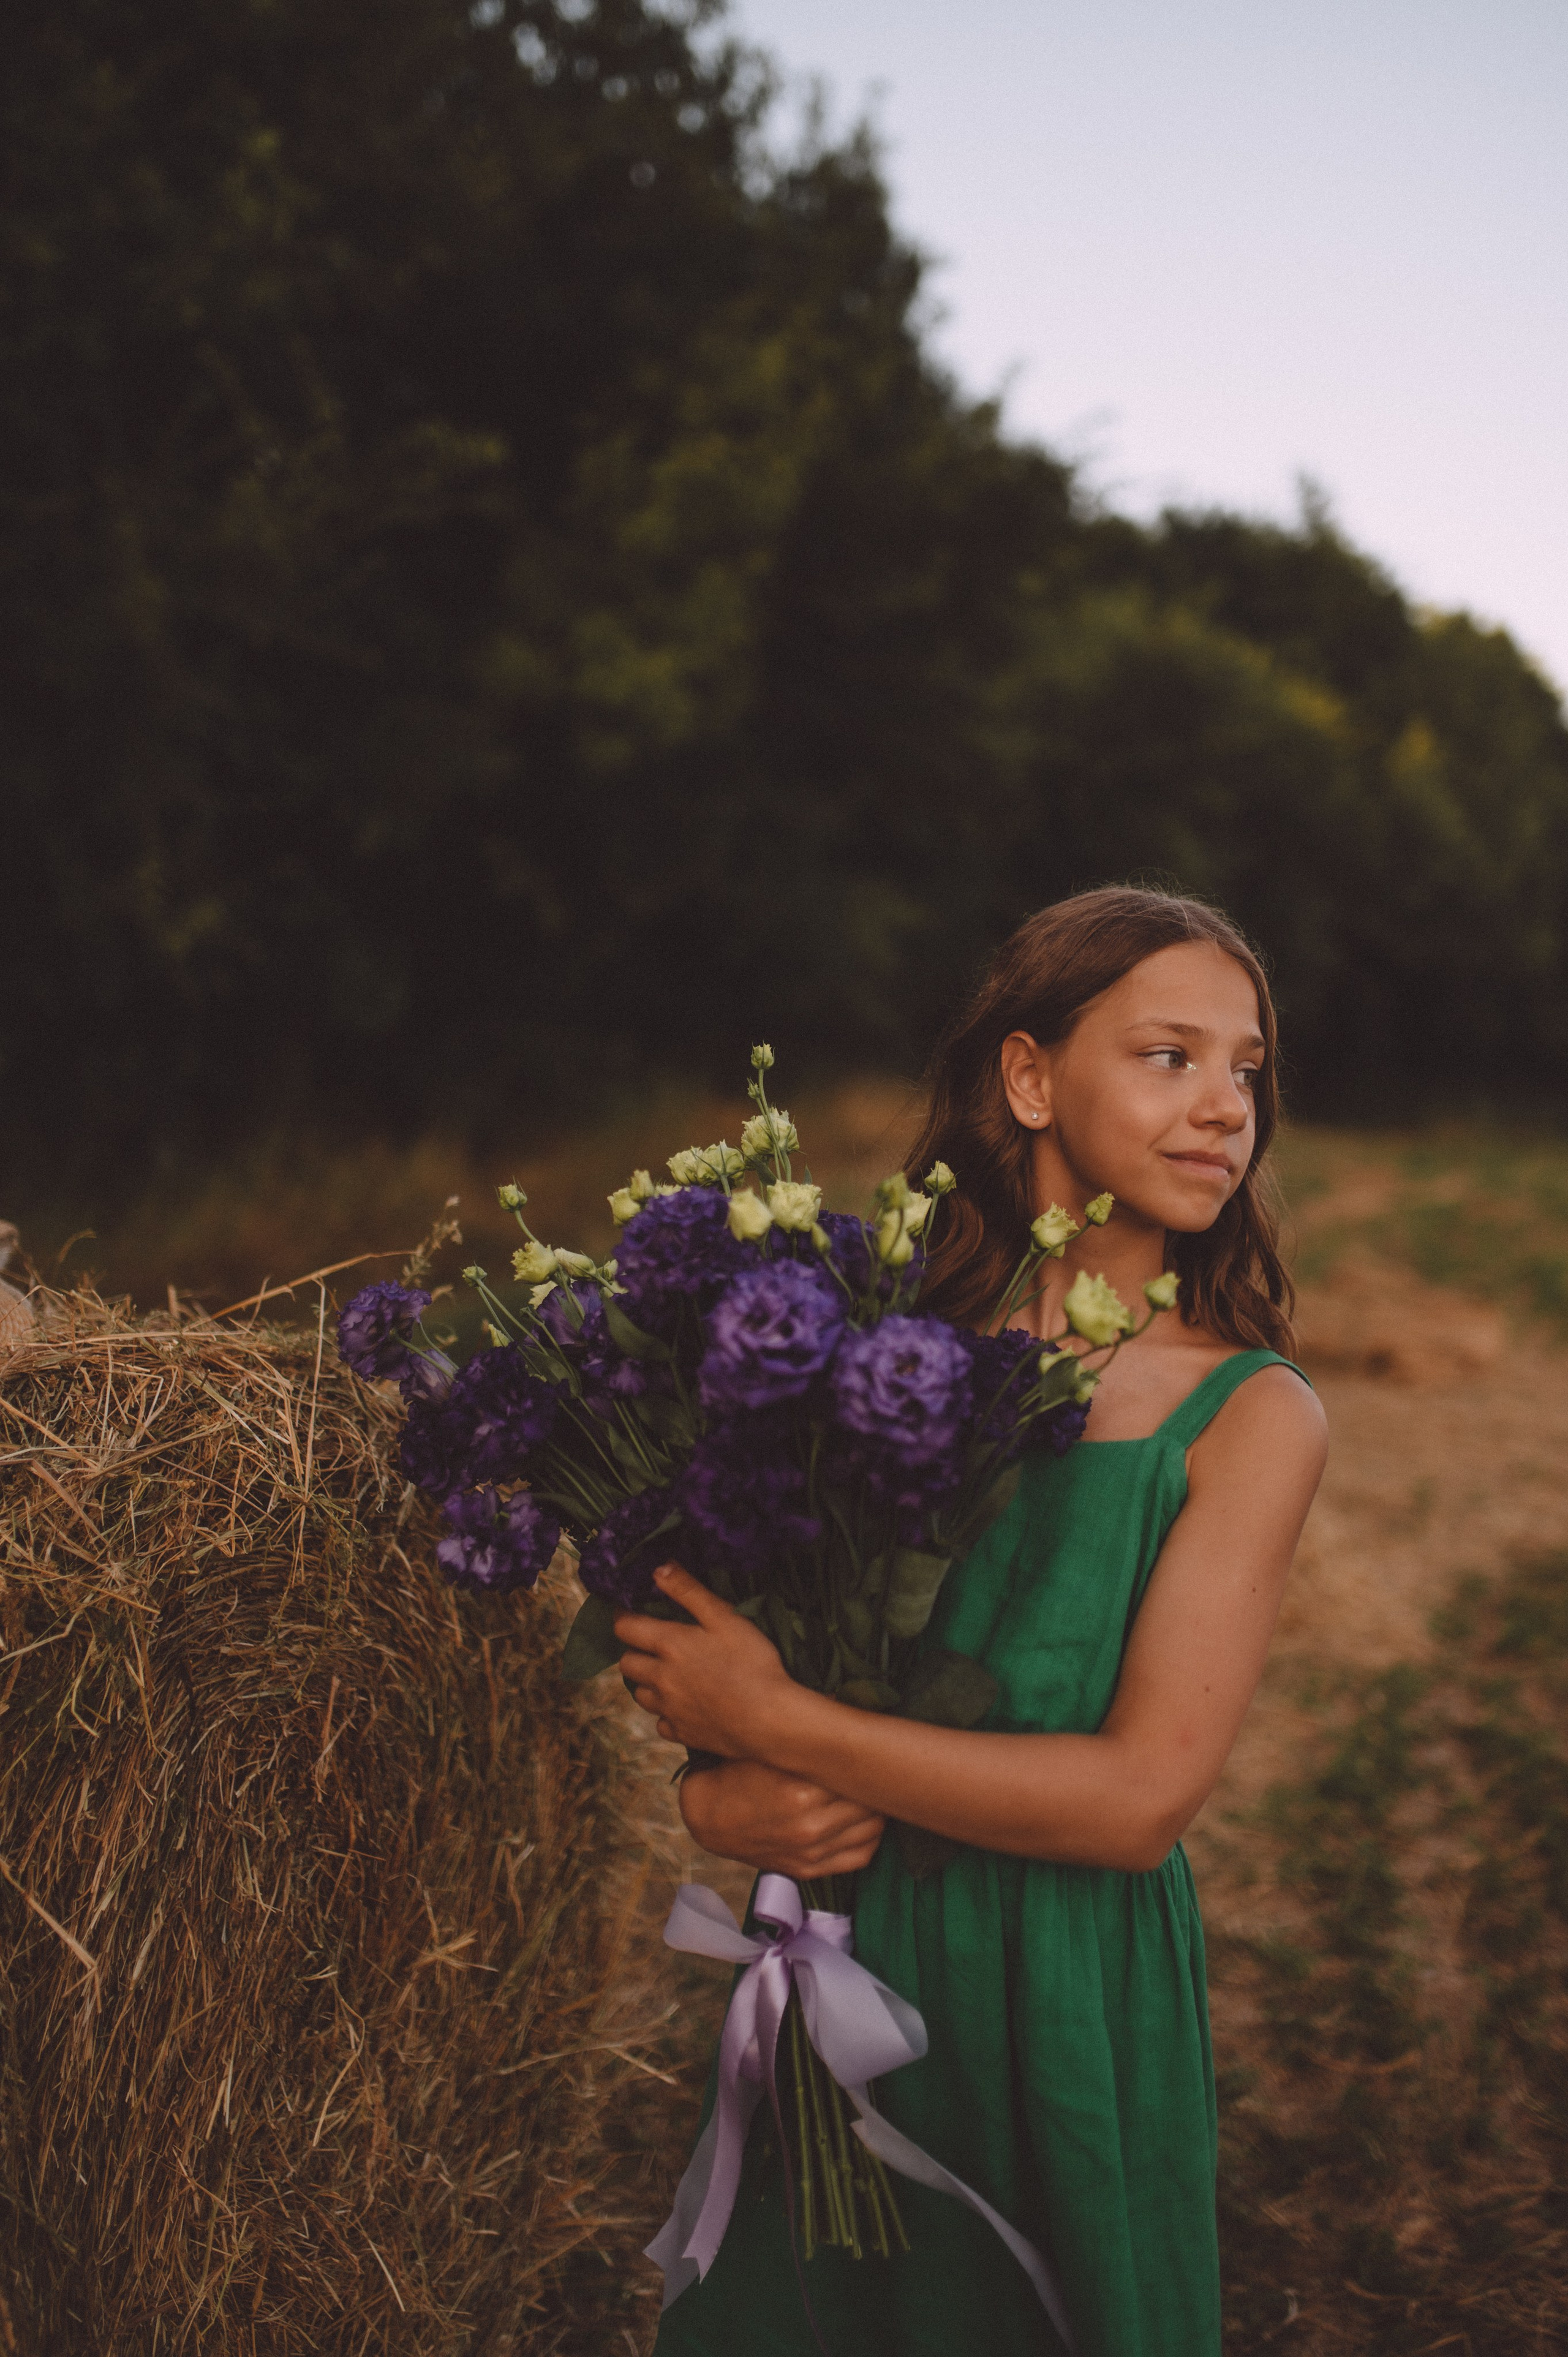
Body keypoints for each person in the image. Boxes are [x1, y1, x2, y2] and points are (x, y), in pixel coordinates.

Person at [617, 887, 1329, 2357]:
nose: (1220, 1107)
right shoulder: (871, 1348)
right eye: (1166, 1055)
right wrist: (720, 1791)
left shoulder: (1249, 1414)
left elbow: (1137, 1802)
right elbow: (722, 1657)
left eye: (1243, 1068)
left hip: (1062, 1986)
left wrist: (779, 1726)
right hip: (846, 1948)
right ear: (1027, 1079)